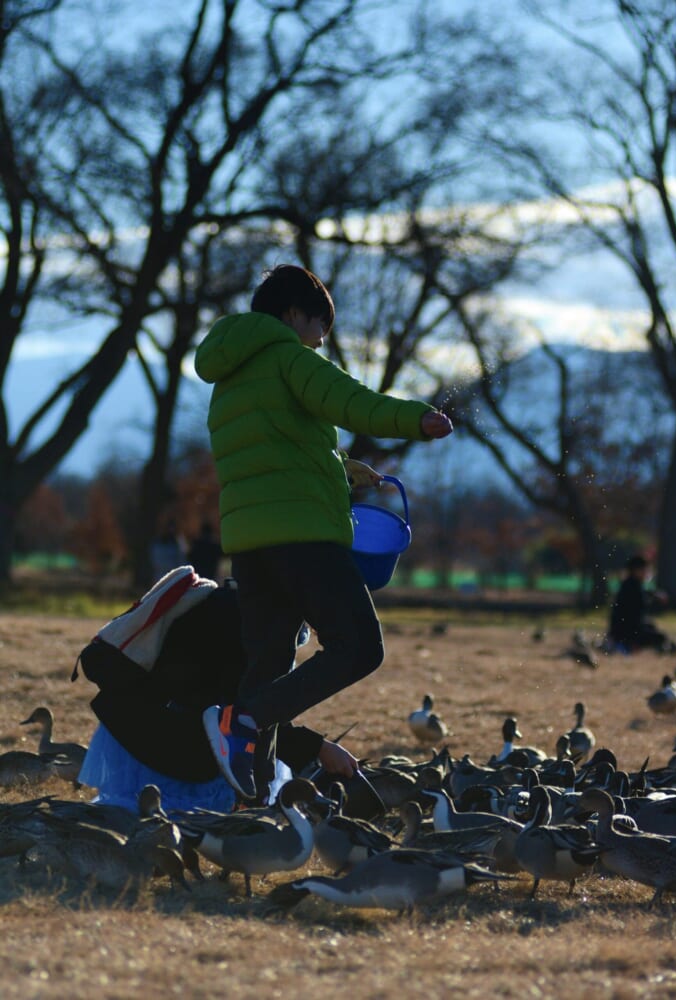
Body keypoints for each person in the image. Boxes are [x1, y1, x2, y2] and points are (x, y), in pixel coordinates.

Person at [193, 263, 452, 801]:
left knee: (266, 665)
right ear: (293, 315)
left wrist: (344, 468)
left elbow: (276, 452)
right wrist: (417, 420)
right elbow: (353, 401)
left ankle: (255, 800)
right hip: (302, 540)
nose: (321, 340)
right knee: (359, 647)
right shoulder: (290, 358)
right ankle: (241, 722)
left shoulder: (230, 379)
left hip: (251, 545)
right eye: (320, 326)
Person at [76, 574, 358, 813]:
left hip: (133, 726)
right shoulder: (257, 630)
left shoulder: (231, 600)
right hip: (169, 746)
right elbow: (242, 718)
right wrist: (318, 748)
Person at [607, 554, 669, 653]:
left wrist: (653, 594)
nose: (646, 573)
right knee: (660, 637)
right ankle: (632, 646)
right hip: (625, 632)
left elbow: (643, 594)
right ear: (637, 570)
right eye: (645, 570)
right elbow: (637, 611)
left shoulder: (629, 584)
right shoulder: (632, 587)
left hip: (620, 631)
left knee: (650, 626)